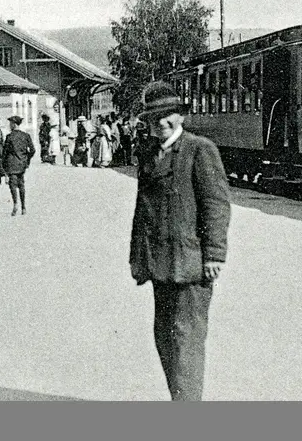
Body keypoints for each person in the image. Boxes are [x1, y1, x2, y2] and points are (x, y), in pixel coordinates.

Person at [129, 82, 232, 401]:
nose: (160, 122)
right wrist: (137, 257)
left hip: (191, 263)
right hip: (160, 262)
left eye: (167, 115)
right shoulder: (148, 152)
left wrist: (215, 254)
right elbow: (142, 209)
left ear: (181, 116)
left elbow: (216, 204)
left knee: (186, 340)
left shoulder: (200, 149)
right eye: (153, 117)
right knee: (164, 337)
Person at [1, 115, 36, 216]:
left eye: (10, 123)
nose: (9, 125)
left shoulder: (9, 137)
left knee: (12, 184)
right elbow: (33, 150)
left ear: (14, 124)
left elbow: (5, 153)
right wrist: (27, 159)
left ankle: (15, 203)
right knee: (21, 184)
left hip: (11, 163)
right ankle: (24, 207)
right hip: (22, 164)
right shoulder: (26, 136)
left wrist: (4, 166)